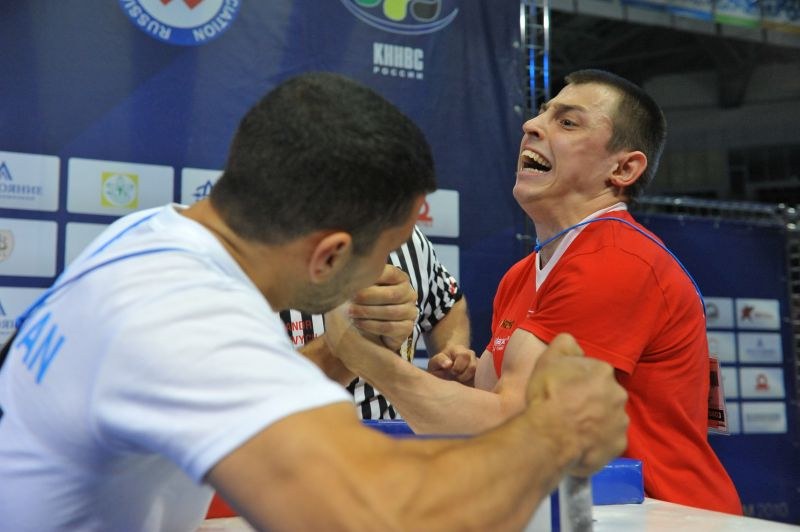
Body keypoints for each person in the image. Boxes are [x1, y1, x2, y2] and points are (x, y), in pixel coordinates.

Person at [0, 72, 628, 531]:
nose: (387, 270)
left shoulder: (151, 237)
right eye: (384, 251)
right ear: (330, 256)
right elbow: (383, 516)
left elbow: (243, 388)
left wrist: (344, 349)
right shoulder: (183, 318)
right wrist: (553, 431)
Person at [322, 69, 741, 514]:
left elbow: (513, 428)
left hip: (666, 514)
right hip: (593, 509)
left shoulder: (616, 259)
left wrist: (360, 353)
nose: (532, 125)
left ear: (623, 168)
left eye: (568, 122)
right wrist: (465, 385)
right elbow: (495, 410)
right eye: (541, 113)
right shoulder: (523, 274)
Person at [282, 225, 475, 420]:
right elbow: (257, 390)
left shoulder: (408, 237)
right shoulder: (263, 245)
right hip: (291, 440)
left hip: (392, 439)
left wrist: (450, 355)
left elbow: (447, 303)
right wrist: (350, 344)